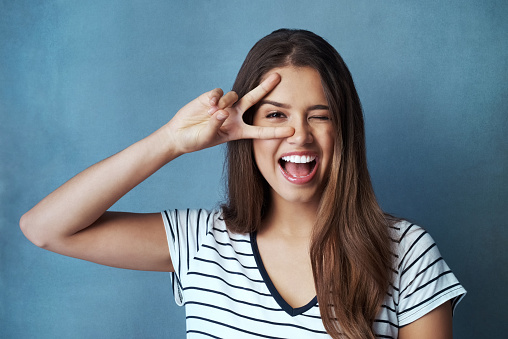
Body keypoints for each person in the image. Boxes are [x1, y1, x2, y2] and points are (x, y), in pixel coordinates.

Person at [20, 29, 465, 338]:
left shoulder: (406, 252)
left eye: (320, 115)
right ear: (245, 130)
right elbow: (45, 228)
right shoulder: (200, 241)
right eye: (276, 115)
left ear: (345, 129)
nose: (299, 135)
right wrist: (171, 141)